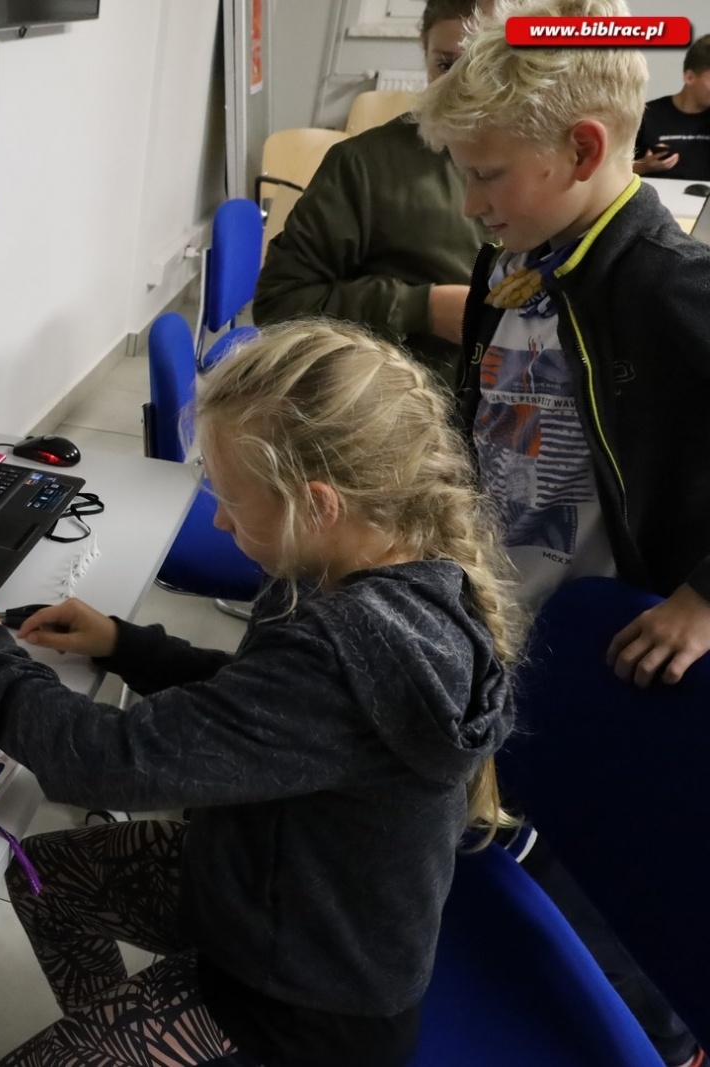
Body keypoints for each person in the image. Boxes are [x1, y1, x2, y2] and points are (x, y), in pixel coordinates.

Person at [0, 320, 520, 1067]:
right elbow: (254, 705)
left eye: (232, 497)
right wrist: (127, 644)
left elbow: (105, 762)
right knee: (45, 878)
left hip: (301, 1002)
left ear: (320, 503)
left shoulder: (342, 646)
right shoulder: (368, 567)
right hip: (264, 881)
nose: (220, 518)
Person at [416, 3, 710, 1063]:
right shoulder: (526, 255)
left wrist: (701, 595)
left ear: (583, 149)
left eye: (488, 174)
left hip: (595, 632)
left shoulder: (664, 284)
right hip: (506, 598)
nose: (471, 200)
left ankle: (663, 1035)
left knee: (589, 849)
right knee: (504, 810)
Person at [253, 0, 487, 382]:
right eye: (446, 64)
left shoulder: (561, 163)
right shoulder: (362, 165)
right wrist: (421, 308)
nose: (465, 89)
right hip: (397, 409)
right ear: (424, 51)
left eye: (490, 65)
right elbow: (280, 304)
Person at [633, 35, 710, 179]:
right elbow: (610, 171)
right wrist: (643, 166)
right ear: (689, 78)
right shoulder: (646, 114)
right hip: (658, 198)